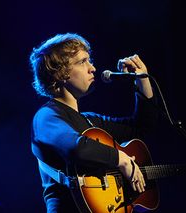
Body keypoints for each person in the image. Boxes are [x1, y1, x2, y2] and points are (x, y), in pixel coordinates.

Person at [29, 33, 158, 212]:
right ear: (60, 73)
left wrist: (142, 78)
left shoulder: (90, 120)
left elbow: (141, 127)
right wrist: (120, 158)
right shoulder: (46, 117)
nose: (93, 68)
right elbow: (76, 147)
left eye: (90, 61)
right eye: (83, 62)